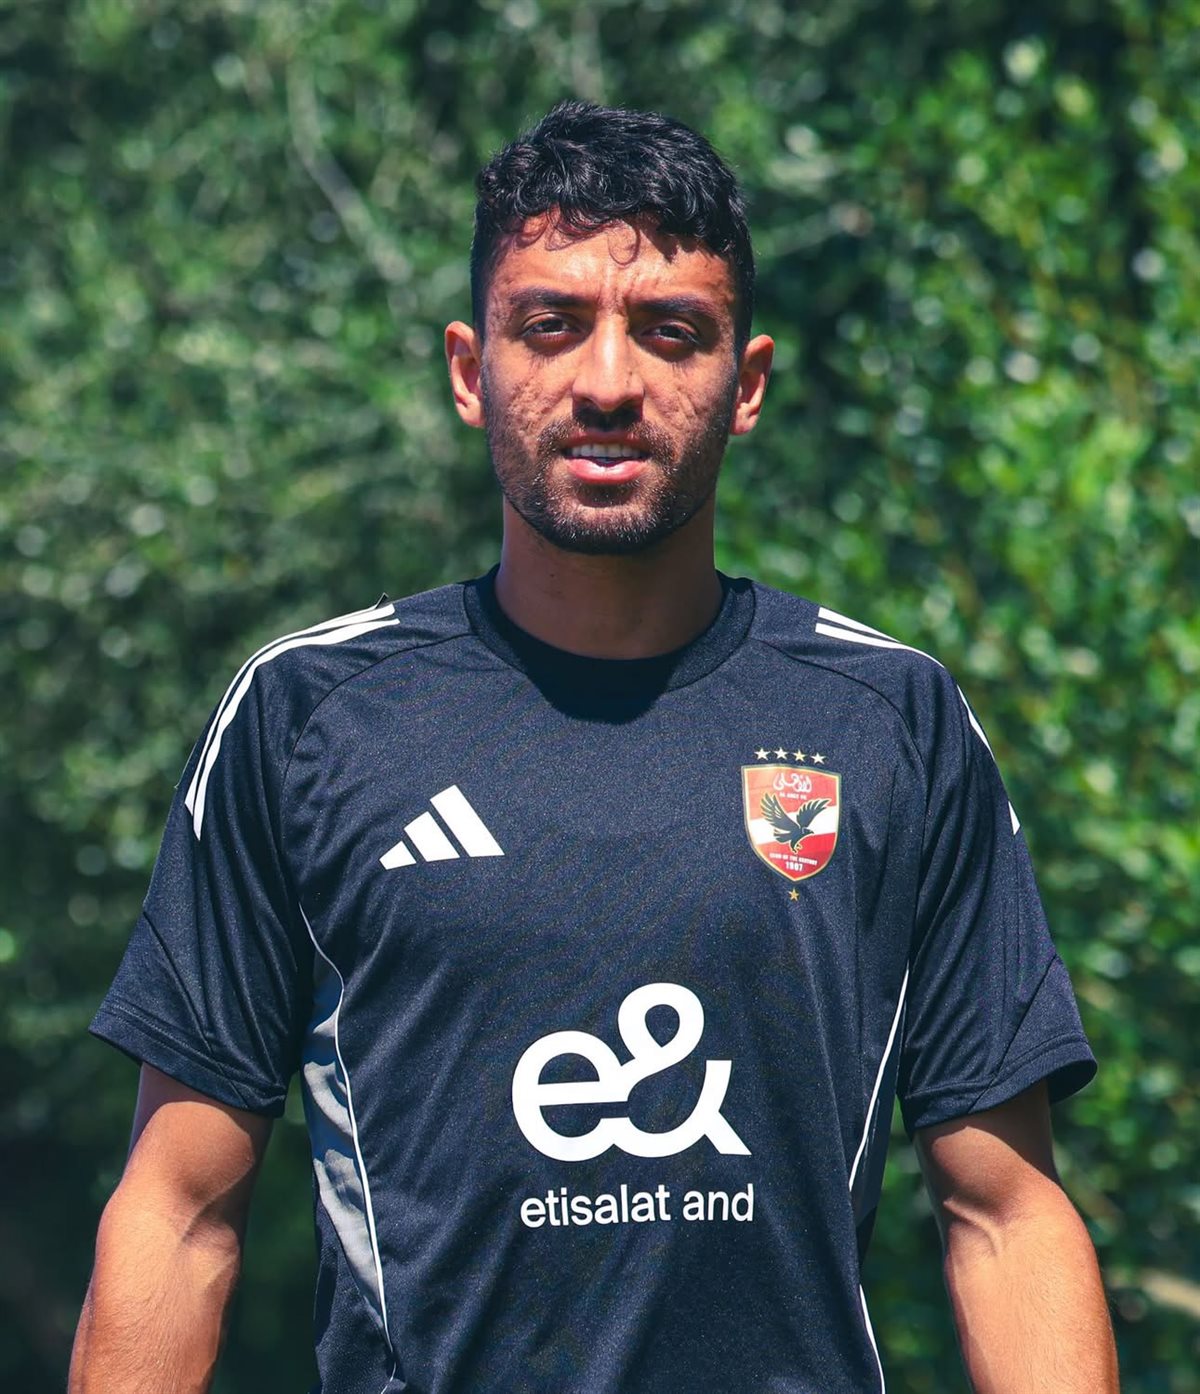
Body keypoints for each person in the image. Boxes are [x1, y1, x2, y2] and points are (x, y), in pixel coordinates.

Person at [71, 101, 1119, 1393]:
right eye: (550, 325)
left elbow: (1005, 1215)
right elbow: (178, 1214)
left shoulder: (890, 720)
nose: (609, 383)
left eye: (670, 332)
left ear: (746, 383)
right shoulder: (308, 717)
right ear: (471, 370)